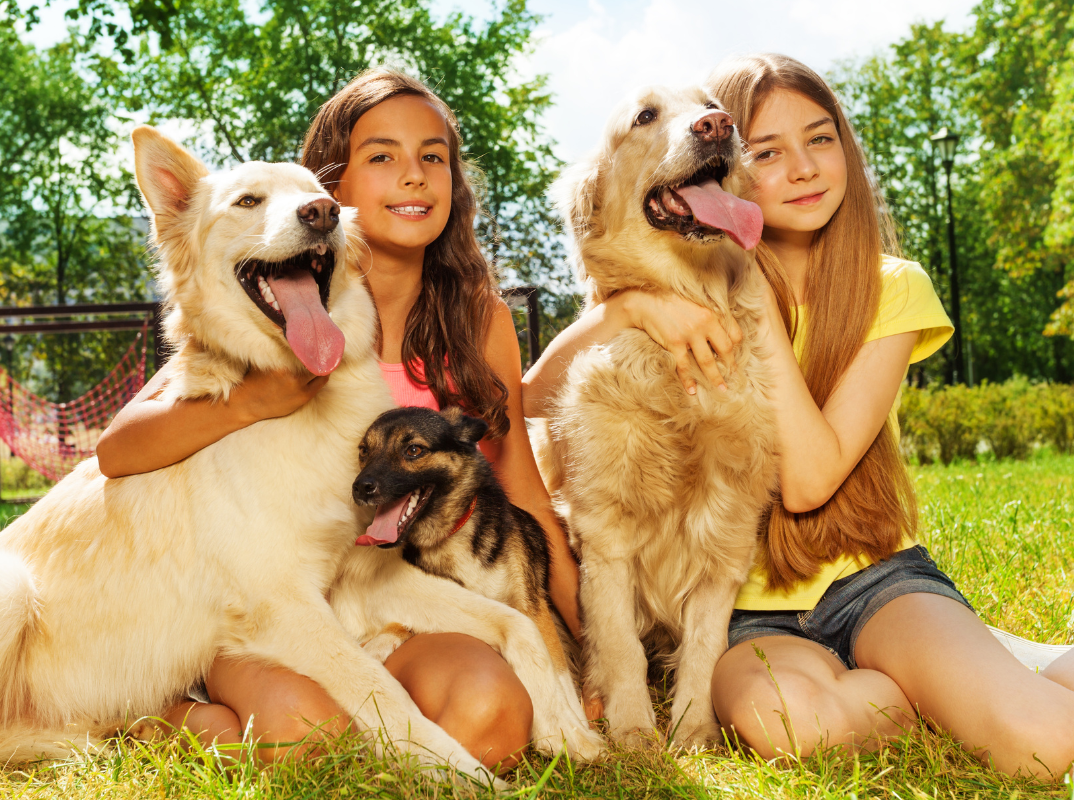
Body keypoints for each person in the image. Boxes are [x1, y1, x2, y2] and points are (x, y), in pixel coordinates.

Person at [521, 53, 1074, 779]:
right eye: (770, 150)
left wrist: (744, 288)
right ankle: (948, 677)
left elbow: (810, 479)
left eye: (822, 139)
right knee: (792, 726)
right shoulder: (677, 274)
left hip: (874, 582)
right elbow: (529, 397)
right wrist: (629, 304)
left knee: (1042, 745)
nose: (806, 168)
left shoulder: (884, 286)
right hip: (753, 619)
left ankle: (980, 665)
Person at [96, 67, 582, 771]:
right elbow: (118, 450)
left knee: (491, 720)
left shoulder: (480, 320)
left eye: (433, 158)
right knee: (305, 736)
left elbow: (525, 494)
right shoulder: (262, 317)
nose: (413, 176)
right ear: (330, 195)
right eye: (381, 157)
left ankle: (287, 713)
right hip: (270, 608)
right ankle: (171, 712)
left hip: (400, 599)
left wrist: (580, 650)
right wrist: (256, 398)